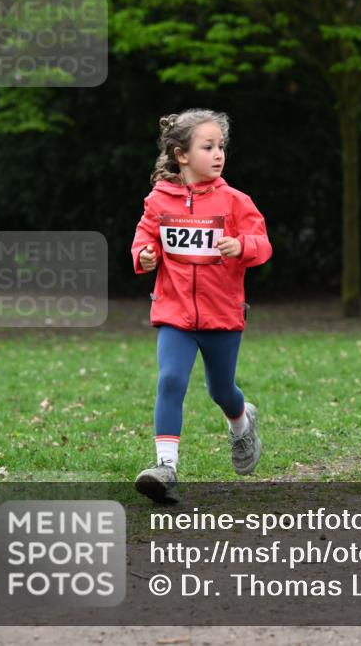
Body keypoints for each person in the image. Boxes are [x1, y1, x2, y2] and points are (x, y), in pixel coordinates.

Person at [130, 109, 273, 504]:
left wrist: (242, 246)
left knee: (221, 390)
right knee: (170, 380)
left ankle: (241, 421)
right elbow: (145, 239)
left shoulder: (235, 201)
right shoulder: (159, 200)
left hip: (222, 314)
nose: (218, 154)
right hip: (174, 312)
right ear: (181, 155)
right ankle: (165, 467)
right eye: (207, 147)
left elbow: (263, 245)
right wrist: (143, 255)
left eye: (221, 146)